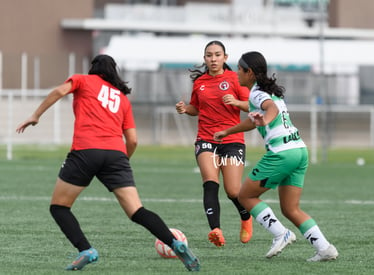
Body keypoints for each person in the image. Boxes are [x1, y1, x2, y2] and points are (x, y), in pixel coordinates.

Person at [16, 54, 200, 271]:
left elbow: (59, 91)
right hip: (116, 155)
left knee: (59, 207)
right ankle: (175, 243)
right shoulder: (122, 98)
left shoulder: (82, 80)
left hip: (85, 151)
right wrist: (120, 164)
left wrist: (35, 115)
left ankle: (86, 249)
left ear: (93, 68)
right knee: (137, 211)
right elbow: (132, 140)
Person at [213, 51, 338, 262]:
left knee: (245, 196)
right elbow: (256, 119)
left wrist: (265, 120)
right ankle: (325, 248)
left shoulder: (257, 93)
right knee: (290, 208)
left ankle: (281, 234)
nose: (236, 73)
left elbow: (270, 110)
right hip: (299, 150)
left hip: (282, 153)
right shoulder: (270, 91)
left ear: (249, 72)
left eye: (239, 69)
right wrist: (228, 131)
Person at [175, 40, 253, 247]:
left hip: (232, 139)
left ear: (225, 58)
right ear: (204, 59)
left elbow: (251, 106)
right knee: (210, 182)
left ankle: (246, 217)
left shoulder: (235, 79)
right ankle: (216, 230)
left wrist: (236, 102)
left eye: (217, 55)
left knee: (233, 191)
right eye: (209, 55)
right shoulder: (199, 82)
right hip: (206, 138)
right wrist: (185, 108)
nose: (213, 59)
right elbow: (196, 108)